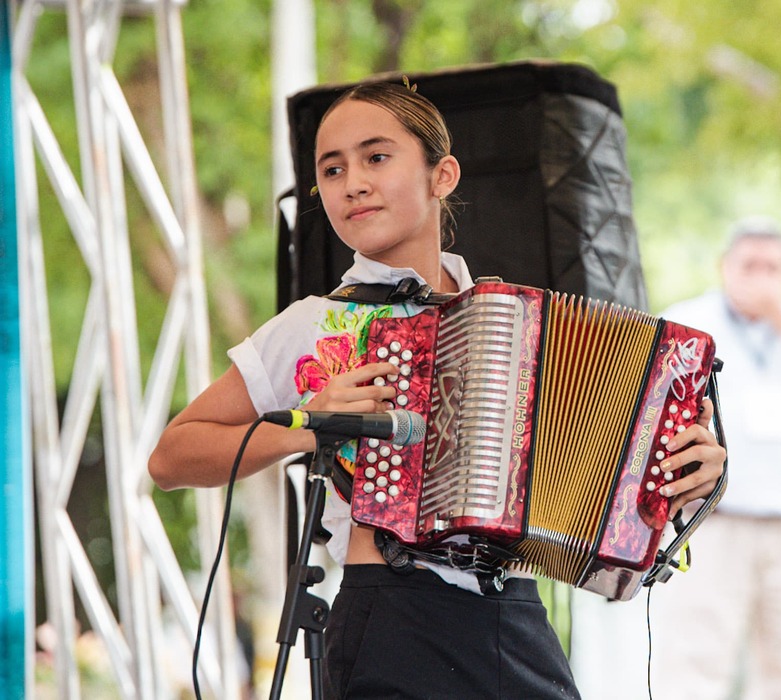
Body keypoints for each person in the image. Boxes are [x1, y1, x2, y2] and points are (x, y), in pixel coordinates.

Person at [147, 80, 727, 699]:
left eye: (376, 157)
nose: (353, 183)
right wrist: (306, 422)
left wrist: (693, 474)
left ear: (441, 175)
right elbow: (171, 457)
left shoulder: (520, 329)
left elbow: (621, 480)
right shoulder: (314, 323)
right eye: (332, 169)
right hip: (391, 618)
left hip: (513, 612)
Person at [648, 216, 781, 700]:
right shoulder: (691, 318)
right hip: (711, 518)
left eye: (773, 267)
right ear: (725, 267)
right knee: (693, 663)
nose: (761, 276)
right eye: (750, 265)